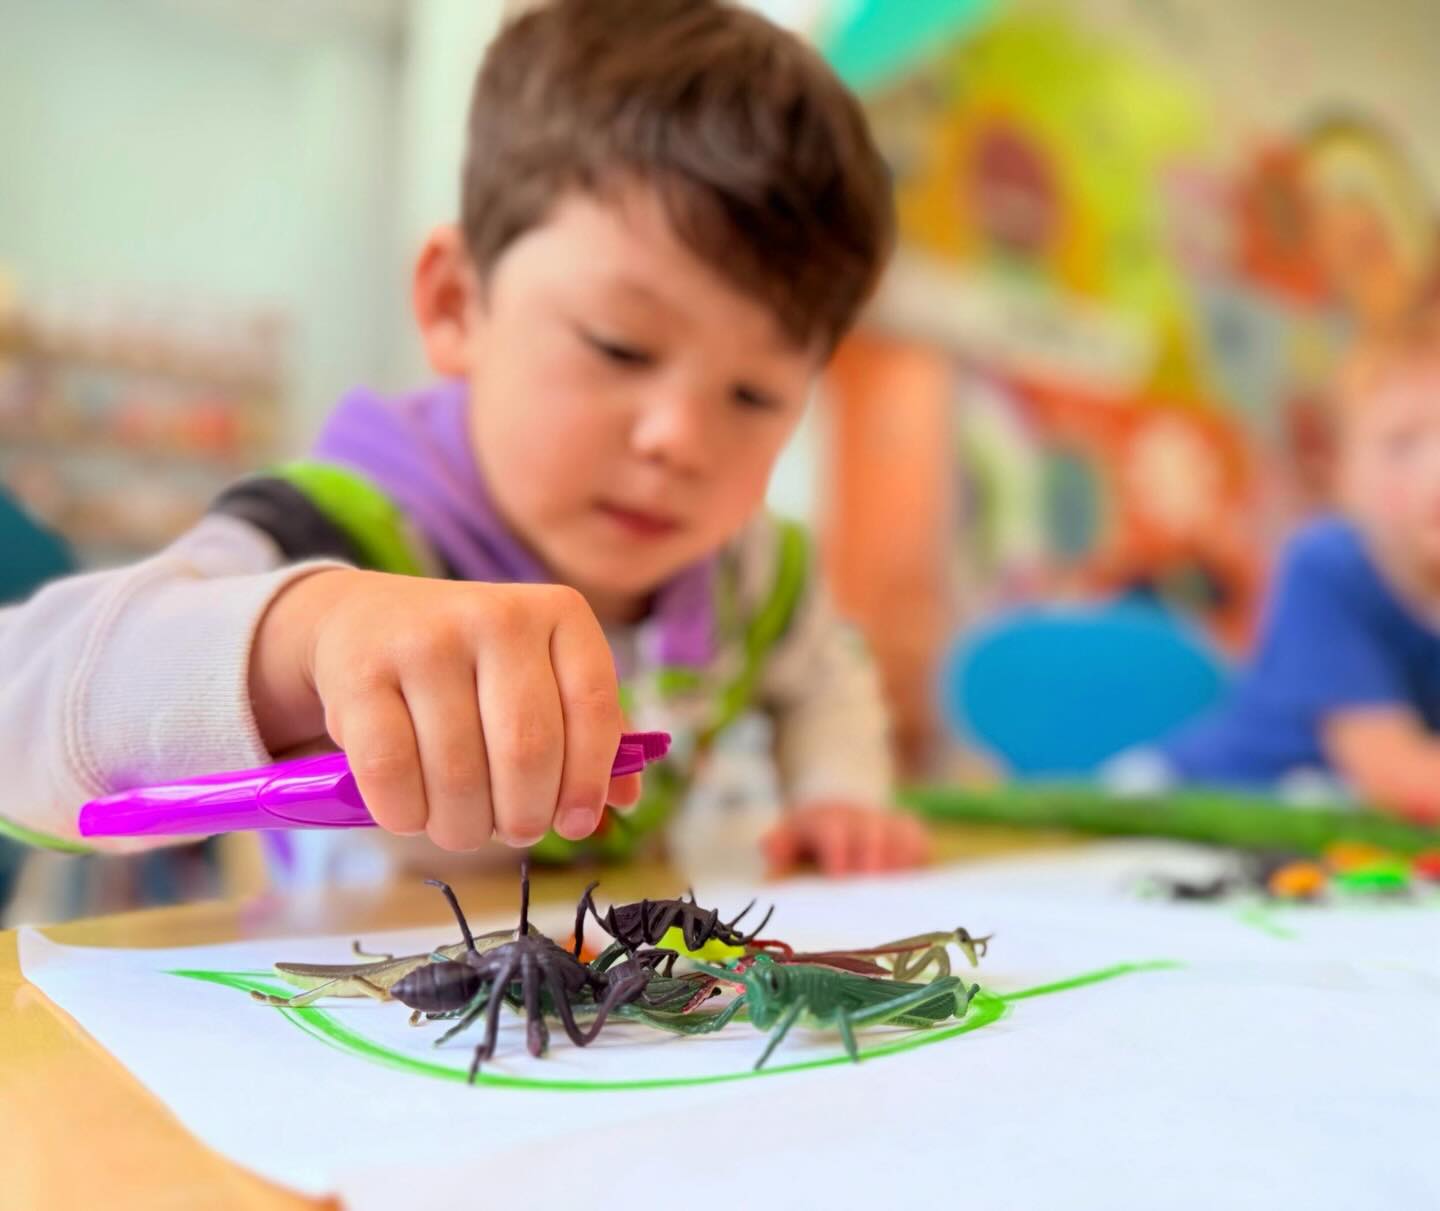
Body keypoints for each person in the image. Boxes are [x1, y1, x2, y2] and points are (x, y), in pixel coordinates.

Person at [0, 0, 928, 876]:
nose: (679, 438)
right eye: (620, 345)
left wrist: (837, 790)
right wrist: (308, 636)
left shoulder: (754, 573)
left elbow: (823, 676)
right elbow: (21, 710)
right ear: (455, 302)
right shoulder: (331, 530)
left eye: (757, 394)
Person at [1143, 307, 1440, 823]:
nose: (1436, 471)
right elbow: (1397, 775)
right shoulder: (1327, 566)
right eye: (1401, 444)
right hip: (1194, 795)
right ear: (1340, 477)